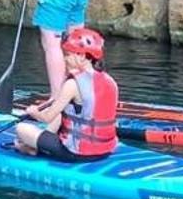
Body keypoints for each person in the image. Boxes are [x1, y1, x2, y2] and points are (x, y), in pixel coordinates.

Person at [14, 26, 118, 162]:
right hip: (106, 150)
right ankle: (36, 146)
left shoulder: (72, 84)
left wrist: (32, 111)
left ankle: (32, 148)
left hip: (76, 153)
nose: (65, 59)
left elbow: (46, 117)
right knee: (62, 114)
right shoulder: (110, 81)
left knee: (21, 128)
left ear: (81, 55)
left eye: (68, 55)